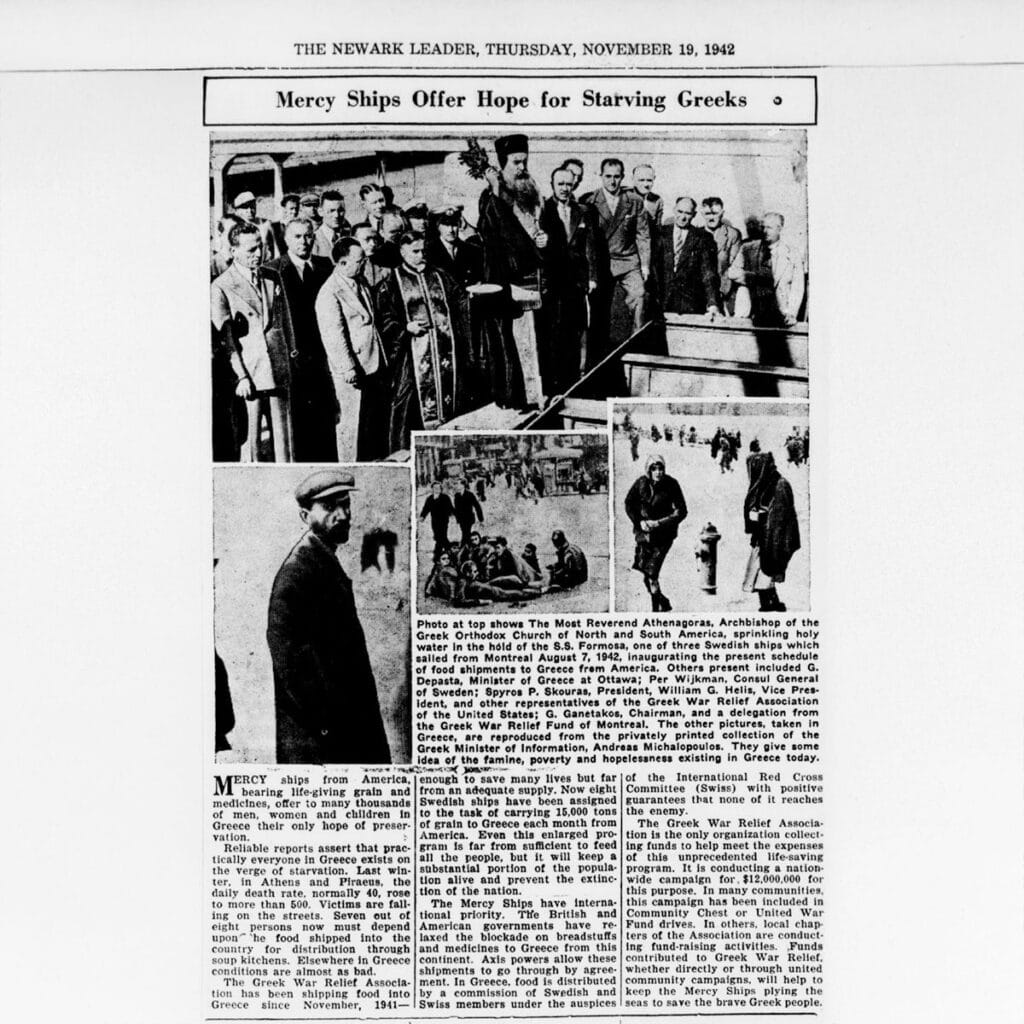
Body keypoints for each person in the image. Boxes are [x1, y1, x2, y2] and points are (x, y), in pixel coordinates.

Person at [267, 470, 391, 764]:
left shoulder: (321, 560)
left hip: (342, 733)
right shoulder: (297, 572)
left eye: (345, 504)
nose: (342, 514)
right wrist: (332, 723)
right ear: (304, 516)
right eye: (329, 507)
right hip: (325, 742)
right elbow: (290, 662)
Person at [375, 230, 475, 452]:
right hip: (412, 355)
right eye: (415, 251)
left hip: (445, 352)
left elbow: (460, 301)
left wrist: (470, 298)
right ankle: (403, 451)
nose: (421, 256)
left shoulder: (440, 275)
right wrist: (405, 327)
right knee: (408, 403)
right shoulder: (392, 281)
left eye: (423, 251)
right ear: (402, 252)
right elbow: (385, 318)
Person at [211, 222, 292, 461]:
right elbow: (227, 340)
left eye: (260, 247)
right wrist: (242, 376)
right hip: (250, 376)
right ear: (234, 251)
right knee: (253, 445)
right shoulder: (222, 286)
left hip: (278, 369)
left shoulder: (271, 277)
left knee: (285, 445)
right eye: (250, 250)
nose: (258, 254)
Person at [260, 217, 338, 461]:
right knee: (299, 428)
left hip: (324, 357)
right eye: (297, 236)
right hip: (293, 360)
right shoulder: (273, 270)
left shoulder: (326, 266)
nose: (304, 241)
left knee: (327, 422)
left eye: (308, 236)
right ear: (286, 239)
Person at [315, 236, 390, 461]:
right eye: (359, 261)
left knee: (369, 420)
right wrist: (347, 368)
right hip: (352, 369)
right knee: (351, 423)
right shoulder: (329, 293)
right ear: (342, 263)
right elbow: (333, 334)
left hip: (371, 362)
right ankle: (351, 463)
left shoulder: (359, 281)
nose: (364, 264)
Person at [537, 167, 599, 397]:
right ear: (552, 184)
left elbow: (590, 246)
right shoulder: (542, 209)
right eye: (560, 184)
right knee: (554, 333)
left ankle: (573, 384)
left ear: (574, 185)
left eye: (568, 184)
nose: (564, 188)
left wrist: (592, 277)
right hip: (552, 281)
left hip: (576, 282)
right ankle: (554, 386)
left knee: (576, 330)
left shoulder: (583, 211)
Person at [583, 157, 651, 340]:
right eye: (608, 176)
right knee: (597, 307)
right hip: (602, 262)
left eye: (617, 177)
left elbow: (643, 235)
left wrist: (645, 265)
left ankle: (636, 342)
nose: (612, 181)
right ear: (601, 176)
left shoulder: (634, 200)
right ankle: (597, 351)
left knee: (639, 295)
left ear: (623, 177)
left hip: (628, 261)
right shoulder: (590, 201)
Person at [624, 453, 687, 611]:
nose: (658, 472)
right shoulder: (641, 483)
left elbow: (682, 511)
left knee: (652, 574)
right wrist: (640, 521)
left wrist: (658, 523)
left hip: (664, 536)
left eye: (660, 469)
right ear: (649, 470)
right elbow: (629, 503)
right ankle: (663, 602)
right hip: (644, 536)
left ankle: (655, 612)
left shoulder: (671, 484)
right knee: (646, 574)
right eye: (654, 469)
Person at [742, 451, 801, 612]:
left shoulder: (779, 484)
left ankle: (770, 606)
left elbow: (780, 519)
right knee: (760, 574)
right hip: (764, 538)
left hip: (775, 539)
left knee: (765, 574)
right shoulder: (765, 483)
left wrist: (760, 518)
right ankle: (771, 604)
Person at [727, 212, 805, 327]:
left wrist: (792, 313)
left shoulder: (793, 253)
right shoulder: (747, 248)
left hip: (780, 313)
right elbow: (732, 272)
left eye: (769, 228)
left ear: (780, 228)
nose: (765, 231)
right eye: (763, 227)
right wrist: (754, 278)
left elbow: (797, 287)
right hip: (751, 312)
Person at [658, 197, 722, 317]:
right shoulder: (660, 233)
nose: (683, 217)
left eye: (687, 213)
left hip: (690, 304)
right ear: (674, 210)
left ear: (694, 214)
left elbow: (708, 273)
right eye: (680, 212)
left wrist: (712, 303)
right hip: (660, 302)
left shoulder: (703, 238)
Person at [701, 197, 742, 313]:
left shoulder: (732, 235)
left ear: (722, 213)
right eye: (707, 214)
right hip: (701, 293)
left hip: (725, 292)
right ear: (702, 214)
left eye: (715, 213)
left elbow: (733, 267)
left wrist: (720, 292)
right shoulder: (697, 234)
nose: (711, 217)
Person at [231, 189, 277, 260]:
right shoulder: (235, 228)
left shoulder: (265, 224)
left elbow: (276, 250)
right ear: (238, 211)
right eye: (245, 208)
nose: (249, 211)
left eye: (252, 206)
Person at [420, 481, 455, 561]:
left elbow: (450, 507)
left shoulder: (445, 497)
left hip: (443, 521)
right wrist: (422, 516)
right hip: (434, 522)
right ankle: (450, 552)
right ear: (432, 489)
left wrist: (453, 514)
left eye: (439, 488)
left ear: (441, 489)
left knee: (440, 537)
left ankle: (438, 556)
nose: (437, 489)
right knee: (440, 538)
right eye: (435, 488)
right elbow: (426, 508)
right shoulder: (429, 499)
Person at [313, 190, 351, 261]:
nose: (336, 215)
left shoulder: (350, 236)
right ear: (320, 212)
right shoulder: (314, 241)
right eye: (331, 211)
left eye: (341, 210)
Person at [452, 479, 483, 544]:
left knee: (466, 534)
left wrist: (481, 519)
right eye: (457, 484)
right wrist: (457, 518)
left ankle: (465, 547)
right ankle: (468, 546)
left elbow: (477, 506)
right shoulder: (457, 496)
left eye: (459, 484)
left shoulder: (470, 494)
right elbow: (456, 509)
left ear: (463, 485)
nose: (457, 485)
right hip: (461, 519)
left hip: (468, 518)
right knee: (465, 534)